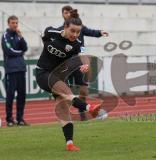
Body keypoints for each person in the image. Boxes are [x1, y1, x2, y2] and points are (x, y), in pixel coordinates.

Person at [35, 9, 101, 151]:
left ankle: (69, 143)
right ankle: (90, 108)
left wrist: (86, 64)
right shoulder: (51, 32)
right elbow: (44, 37)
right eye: (73, 31)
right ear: (65, 27)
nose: (75, 35)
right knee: (67, 92)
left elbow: (83, 55)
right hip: (42, 73)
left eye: (78, 32)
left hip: (58, 76)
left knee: (63, 108)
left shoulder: (77, 43)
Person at [58, 5, 108, 121]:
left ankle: (82, 114)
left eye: (69, 12)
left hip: (79, 62)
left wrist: (100, 32)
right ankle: (66, 116)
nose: (67, 14)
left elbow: (90, 31)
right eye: (65, 12)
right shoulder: (60, 30)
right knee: (66, 92)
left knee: (83, 90)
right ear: (62, 14)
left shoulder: (79, 27)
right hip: (65, 63)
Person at [1, 15, 29, 127]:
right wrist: (20, 53)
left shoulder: (18, 35)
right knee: (10, 95)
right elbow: (8, 50)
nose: (15, 25)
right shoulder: (5, 35)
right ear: (8, 23)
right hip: (11, 69)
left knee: (22, 95)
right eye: (13, 23)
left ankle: (20, 119)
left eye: (16, 23)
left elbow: (25, 47)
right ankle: (9, 119)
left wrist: (21, 37)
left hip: (21, 68)